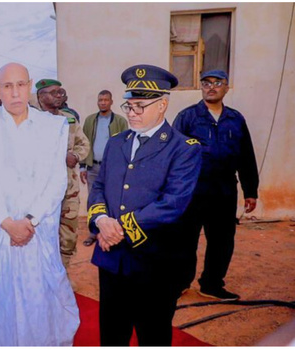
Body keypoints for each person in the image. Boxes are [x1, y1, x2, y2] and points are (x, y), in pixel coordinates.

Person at [0, 63, 80, 346]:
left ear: (29, 85)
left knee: (43, 302)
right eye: (7, 86)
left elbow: (56, 181)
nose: (15, 92)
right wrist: (7, 223)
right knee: (2, 302)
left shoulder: (53, 127)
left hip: (38, 230)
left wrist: (29, 221)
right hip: (0, 232)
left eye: (21, 85)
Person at [87, 64, 201, 346]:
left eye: (140, 106)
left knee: (153, 333)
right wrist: (102, 221)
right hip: (112, 258)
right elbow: (99, 186)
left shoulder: (183, 147)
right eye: (129, 106)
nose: (132, 113)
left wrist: (118, 229)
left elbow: (173, 203)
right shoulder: (117, 143)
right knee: (112, 332)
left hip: (155, 260)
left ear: (162, 105)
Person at [173, 69, 259, 301]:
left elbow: (246, 156)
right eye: (206, 83)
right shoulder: (187, 117)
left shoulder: (236, 119)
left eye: (217, 83)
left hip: (224, 190)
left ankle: (211, 284)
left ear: (226, 88)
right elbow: (172, 155)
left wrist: (250, 191)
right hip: (192, 190)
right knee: (185, 238)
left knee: (222, 240)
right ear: (201, 87)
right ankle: (179, 282)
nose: (211, 87)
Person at [35, 78, 89, 275]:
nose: (59, 95)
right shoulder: (31, 121)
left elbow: (83, 144)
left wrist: (75, 155)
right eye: (53, 92)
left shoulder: (69, 118)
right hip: (41, 190)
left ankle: (63, 276)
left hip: (69, 187)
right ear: (41, 97)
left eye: (61, 91)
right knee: (41, 232)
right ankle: (42, 275)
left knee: (68, 234)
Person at [80, 89, 128, 247]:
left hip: (112, 168)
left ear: (111, 102)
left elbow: (125, 145)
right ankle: (94, 232)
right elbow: (84, 143)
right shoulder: (90, 121)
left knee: (113, 198)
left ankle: (113, 229)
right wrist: (82, 167)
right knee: (93, 198)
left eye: (106, 100)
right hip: (93, 166)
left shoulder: (120, 121)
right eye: (100, 100)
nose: (103, 103)